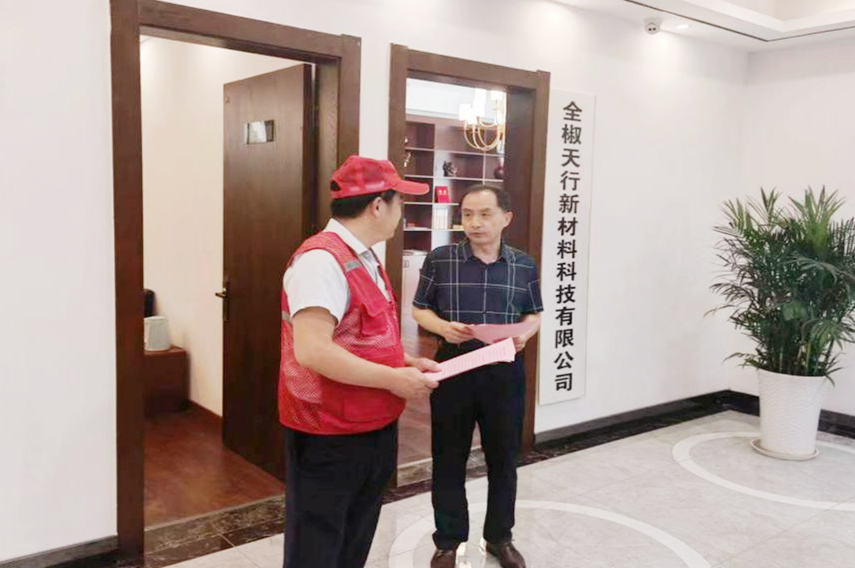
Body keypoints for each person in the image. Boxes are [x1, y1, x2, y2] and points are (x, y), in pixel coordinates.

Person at [278, 155, 440, 568]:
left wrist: (406, 361)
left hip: (371, 423)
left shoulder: (364, 256)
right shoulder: (320, 261)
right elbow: (313, 350)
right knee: (318, 547)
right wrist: (393, 379)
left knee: (354, 538)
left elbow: (363, 336)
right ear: (378, 205)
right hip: (329, 433)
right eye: (401, 203)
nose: (402, 213)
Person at [412, 184, 543, 568]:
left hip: (504, 370)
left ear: (506, 218)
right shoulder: (441, 259)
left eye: (485, 214)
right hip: (454, 367)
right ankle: (448, 541)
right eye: (468, 214)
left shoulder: (523, 265)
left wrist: (525, 333)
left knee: (504, 459)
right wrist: (443, 327)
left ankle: (500, 538)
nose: (474, 222)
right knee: (448, 457)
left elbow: (534, 313)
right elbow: (419, 309)